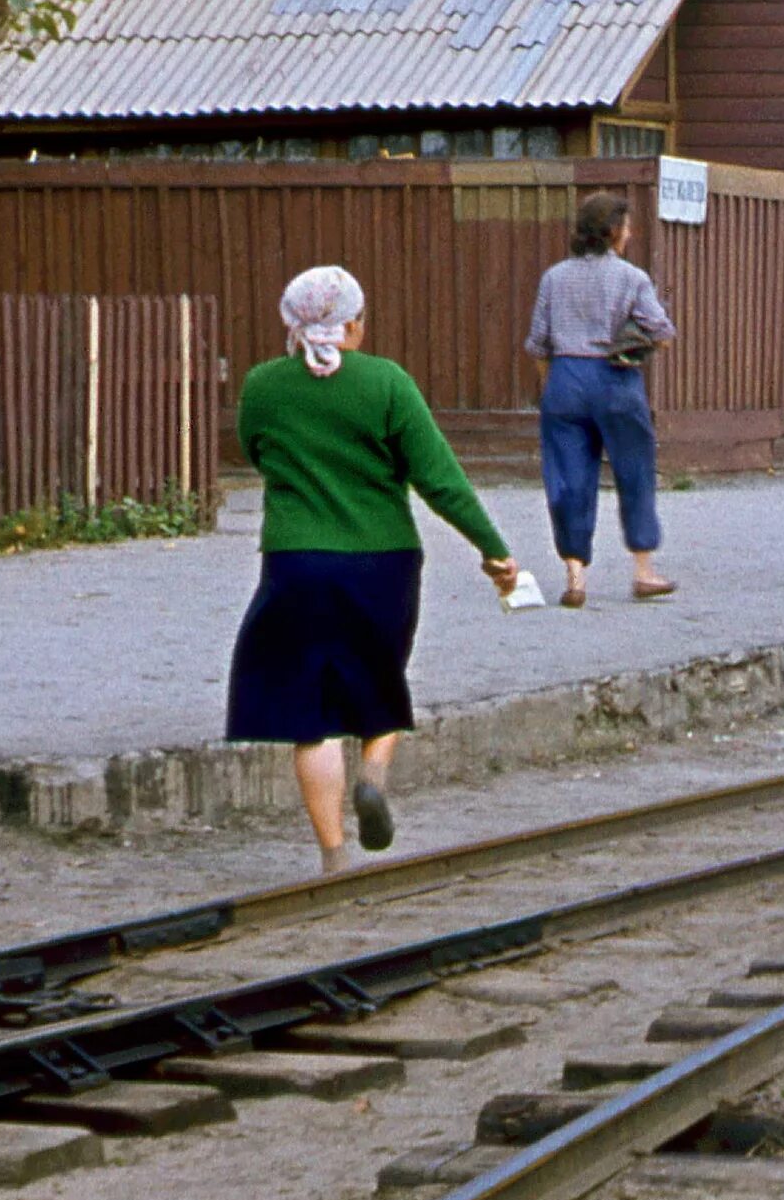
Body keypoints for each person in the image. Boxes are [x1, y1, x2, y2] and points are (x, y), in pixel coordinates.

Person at [229, 266, 518, 873]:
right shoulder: (386, 382)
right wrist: (494, 551)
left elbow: (255, 450)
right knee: (379, 679)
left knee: (311, 717)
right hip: (382, 562)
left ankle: (334, 857)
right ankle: (376, 776)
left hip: (295, 563)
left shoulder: (262, 386)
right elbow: (438, 478)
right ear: (355, 324)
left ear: (291, 324)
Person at [528, 192, 679, 607]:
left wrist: (551, 384)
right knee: (635, 470)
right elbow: (663, 333)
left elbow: (538, 343)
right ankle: (644, 569)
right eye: (627, 227)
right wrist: (636, 339)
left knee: (568, 477)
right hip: (616, 379)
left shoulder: (554, 277)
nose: (630, 234)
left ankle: (575, 576)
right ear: (613, 232)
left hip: (565, 379)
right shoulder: (632, 278)